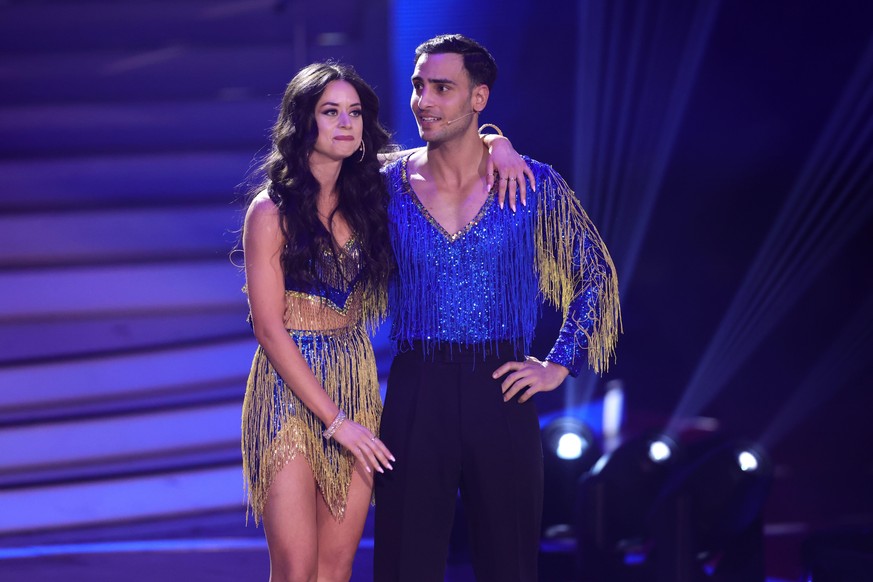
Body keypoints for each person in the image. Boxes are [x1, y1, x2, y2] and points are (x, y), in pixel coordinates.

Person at [239, 61, 530, 582]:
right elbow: (267, 327)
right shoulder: (271, 210)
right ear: (302, 120)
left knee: (336, 567)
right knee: (297, 569)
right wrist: (336, 423)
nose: (345, 124)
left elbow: (449, 147)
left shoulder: (379, 191)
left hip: (354, 378)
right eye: (330, 112)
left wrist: (495, 140)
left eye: (354, 113)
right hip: (288, 387)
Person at [374, 35, 622, 582]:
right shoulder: (384, 183)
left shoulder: (530, 184)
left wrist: (558, 362)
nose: (424, 101)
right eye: (419, 87)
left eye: (442, 88)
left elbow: (596, 275)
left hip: (502, 386)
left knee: (509, 564)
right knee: (402, 565)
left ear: (478, 97)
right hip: (417, 387)